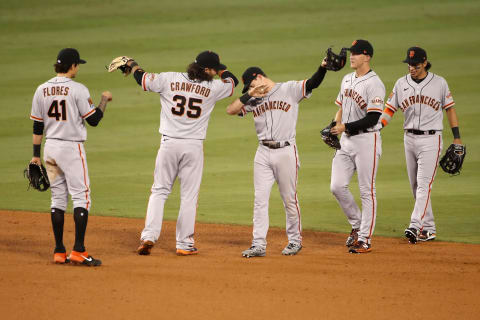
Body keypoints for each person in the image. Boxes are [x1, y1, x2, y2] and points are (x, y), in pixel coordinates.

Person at [121, 51, 238, 256]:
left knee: (159, 191)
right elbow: (233, 81)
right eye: (213, 69)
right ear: (208, 71)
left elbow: (142, 78)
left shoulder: (169, 78)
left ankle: (148, 236)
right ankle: (184, 244)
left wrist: (132, 64)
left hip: (168, 144)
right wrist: (221, 69)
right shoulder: (214, 87)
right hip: (193, 147)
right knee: (189, 197)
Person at [226, 59, 328, 258]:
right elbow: (231, 110)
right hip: (262, 152)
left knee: (289, 199)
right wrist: (249, 94)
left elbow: (312, 83)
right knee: (259, 199)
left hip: (285, 151)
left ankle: (295, 240)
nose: (251, 89)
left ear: (259, 77)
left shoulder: (289, 89)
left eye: (251, 84)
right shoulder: (252, 99)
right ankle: (258, 244)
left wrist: (322, 67)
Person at [29, 48, 112, 266]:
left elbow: (38, 125)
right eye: (78, 65)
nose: (78, 68)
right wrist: (104, 100)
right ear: (72, 66)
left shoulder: (41, 89)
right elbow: (93, 120)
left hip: (50, 149)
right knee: (81, 197)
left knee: (57, 199)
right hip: (72, 150)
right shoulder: (78, 89)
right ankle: (79, 251)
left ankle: (58, 251)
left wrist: (35, 156)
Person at [380, 46, 463, 243]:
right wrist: (377, 127)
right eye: (409, 65)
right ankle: (429, 228)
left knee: (424, 184)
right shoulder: (401, 83)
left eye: (415, 65)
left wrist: (457, 137)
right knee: (415, 185)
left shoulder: (439, 83)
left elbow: (450, 110)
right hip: (409, 139)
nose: (412, 68)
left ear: (425, 63)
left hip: (431, 139)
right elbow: (389, 110)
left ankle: (415, 225)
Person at [329, 39, 385, 254]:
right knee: (337, 186)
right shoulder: (346, 79)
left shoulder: (375, 83)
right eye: (351, 53)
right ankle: (357, 224)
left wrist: (344, 127)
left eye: (356, 54)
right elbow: (341, 108)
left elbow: (373, 118)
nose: (351, 57)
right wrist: (335, 125)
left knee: (366, 191)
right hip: (346, 141)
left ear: (367, 57)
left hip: (366, 141)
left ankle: (365, 239)